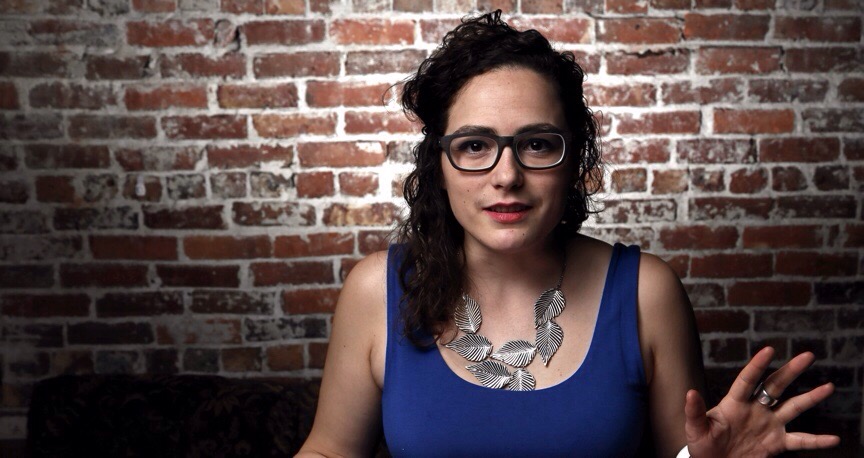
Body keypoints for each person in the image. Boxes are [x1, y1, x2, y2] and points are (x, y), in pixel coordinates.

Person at [297, 11, 839, 457]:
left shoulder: (646, 292)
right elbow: (328, 451)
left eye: (536, 144)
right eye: (474, 146)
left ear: (572, 158)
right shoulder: (377, 290)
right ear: (440, 163)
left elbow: (687, 453)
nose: (506, 176)